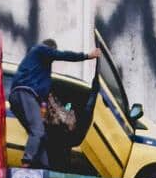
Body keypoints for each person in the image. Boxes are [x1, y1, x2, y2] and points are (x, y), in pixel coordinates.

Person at [9, 37, 98, 168]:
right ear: (50, 49)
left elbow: (44, 100)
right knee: (38, 131)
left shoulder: (41, 71)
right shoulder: (40, 50)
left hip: (22, 97)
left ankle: (44, 167)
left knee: (41, 135)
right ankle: (26, 164)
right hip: (25, 94)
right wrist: (87, 56)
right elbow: (62, 55)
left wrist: (44, 115)